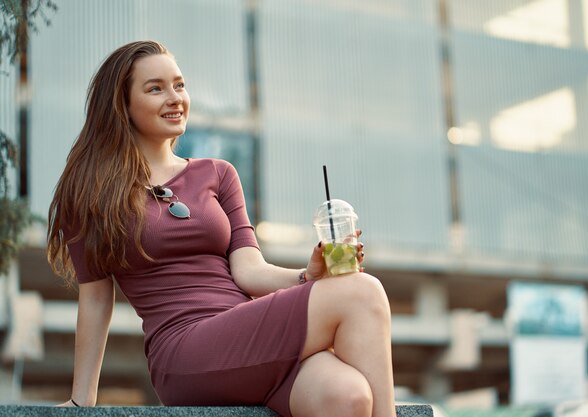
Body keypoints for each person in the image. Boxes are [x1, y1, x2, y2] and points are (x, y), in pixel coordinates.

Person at [47, 40, 396, 417]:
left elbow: (249, 271)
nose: (174, 97)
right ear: (123, 106)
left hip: (249, 341)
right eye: (155, 88)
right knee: (363, 292)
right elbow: (96, 298)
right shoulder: (91, 192)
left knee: (348, 396)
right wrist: (83, 400)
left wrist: (307, 275)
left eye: (179, 85)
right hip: (184, 352)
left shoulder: (218, 173)